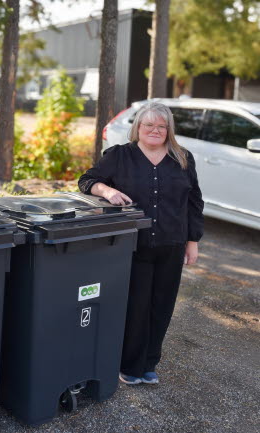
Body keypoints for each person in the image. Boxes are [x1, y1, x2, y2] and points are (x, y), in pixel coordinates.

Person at [78, 101, 204, 385]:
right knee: (135, 306)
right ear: (138, 128)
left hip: (171, 244)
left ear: (169, 130)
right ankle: (129, 365)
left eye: (162, 126)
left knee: (162, 307)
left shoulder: (183, 158)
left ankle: (149, 363)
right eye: (149, 125)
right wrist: (108, 191)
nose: (155, 130)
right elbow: (87, 180)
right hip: (132, 246)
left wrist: (192, 240)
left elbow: (194, 201)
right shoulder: (120, 156)